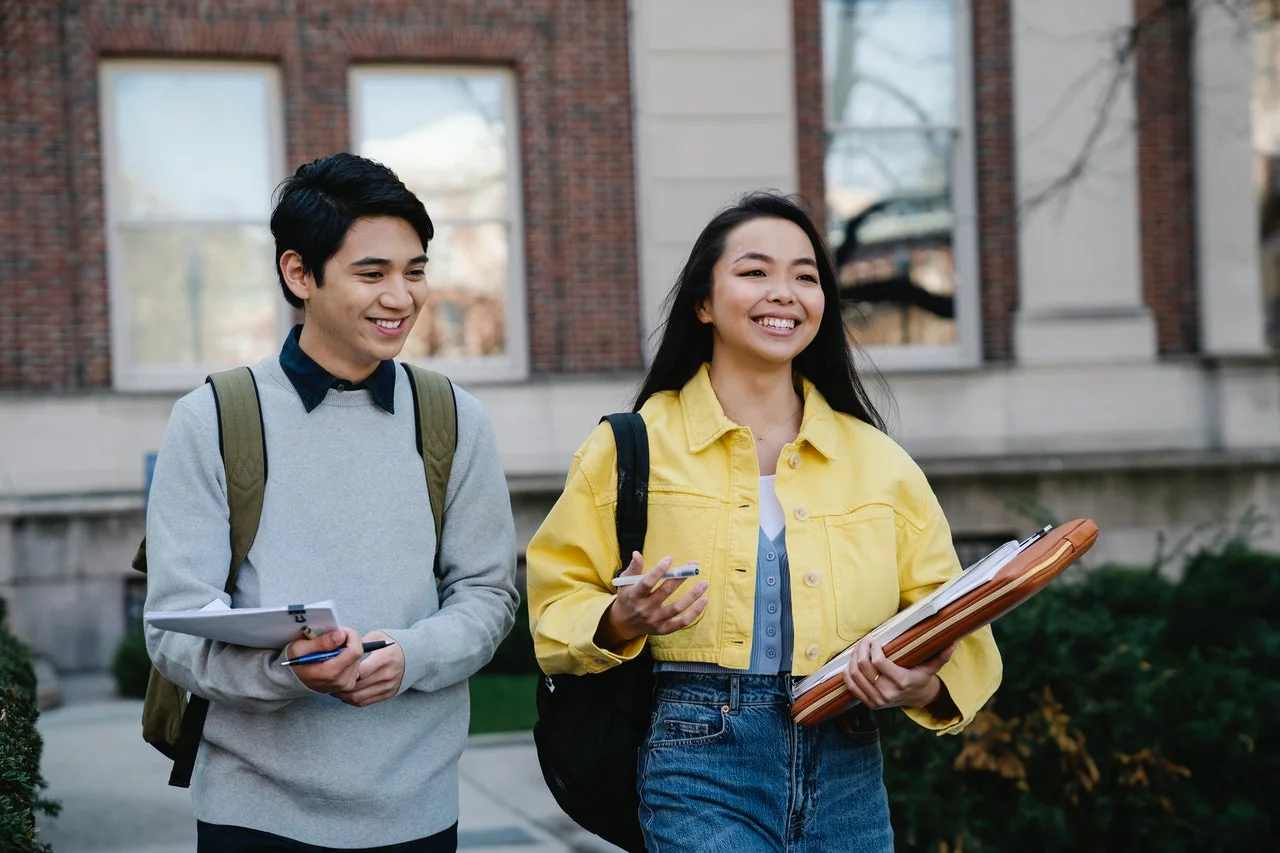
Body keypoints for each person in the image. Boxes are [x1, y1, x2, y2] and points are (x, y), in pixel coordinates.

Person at [525, 192, 1001, 851]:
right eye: (755, 272)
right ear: (703, 302)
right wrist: (620, 618)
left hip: (849, 765)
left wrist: (920, 682)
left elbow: (962, 627)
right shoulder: (629, 447)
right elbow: (554, 605)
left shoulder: (881, 463)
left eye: (805, 276)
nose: (785, 292)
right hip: (697, 762)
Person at [144, 153, 519, 852]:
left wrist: (408, 654)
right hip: (253, 811)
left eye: (415, 271)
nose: (401, 297)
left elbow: (488, 595)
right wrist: (287, 668)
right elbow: (174, 630)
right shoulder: (213, 417)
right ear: (298, 274)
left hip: (419, 809)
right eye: (372, 273)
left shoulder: (454, 417)